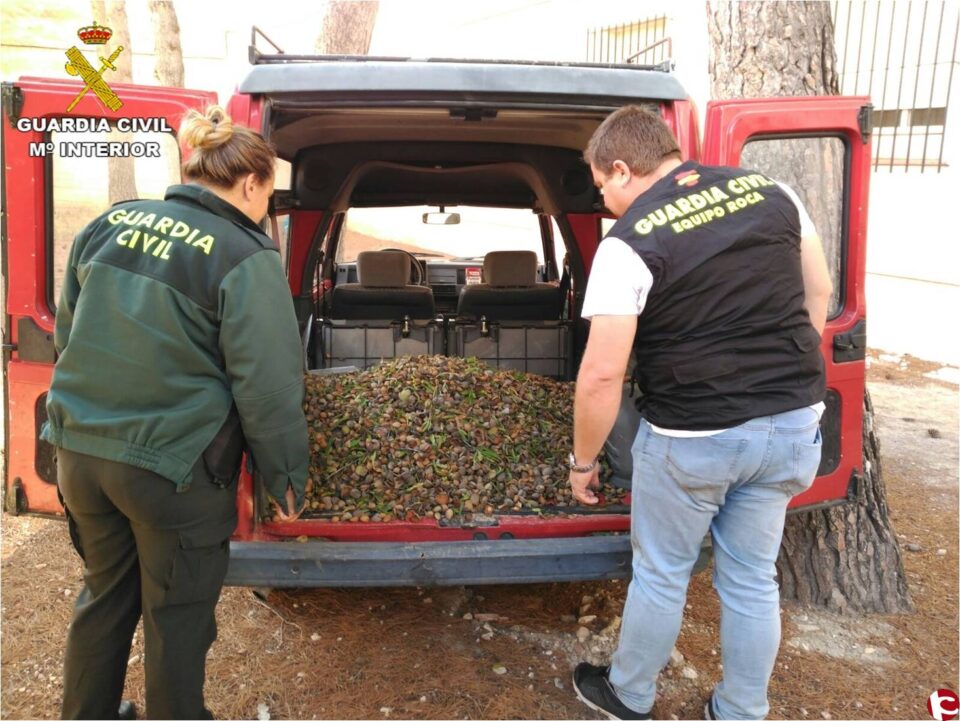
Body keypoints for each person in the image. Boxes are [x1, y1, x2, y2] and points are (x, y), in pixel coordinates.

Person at [42, 106, 310, 720]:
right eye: (269, 194)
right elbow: (267, 386)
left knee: (105, 595)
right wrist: (284, 476)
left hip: (80, 454)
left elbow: (69, 336)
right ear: (251, 184)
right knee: (178, 616)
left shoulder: (109, 224)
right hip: (172, 469)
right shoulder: (245, 253)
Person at [567, 106, 833, 720]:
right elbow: (816, 291)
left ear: (624, 170)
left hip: (694, 436)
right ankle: (740, 710)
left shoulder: (629, 241)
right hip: (792, 427)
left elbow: (603, 374)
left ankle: (630, 695)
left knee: (661, 574)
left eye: (601, 184)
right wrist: (787, 384)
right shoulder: (774, 192)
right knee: (750, 579)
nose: (603, 197)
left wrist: (582, 461)